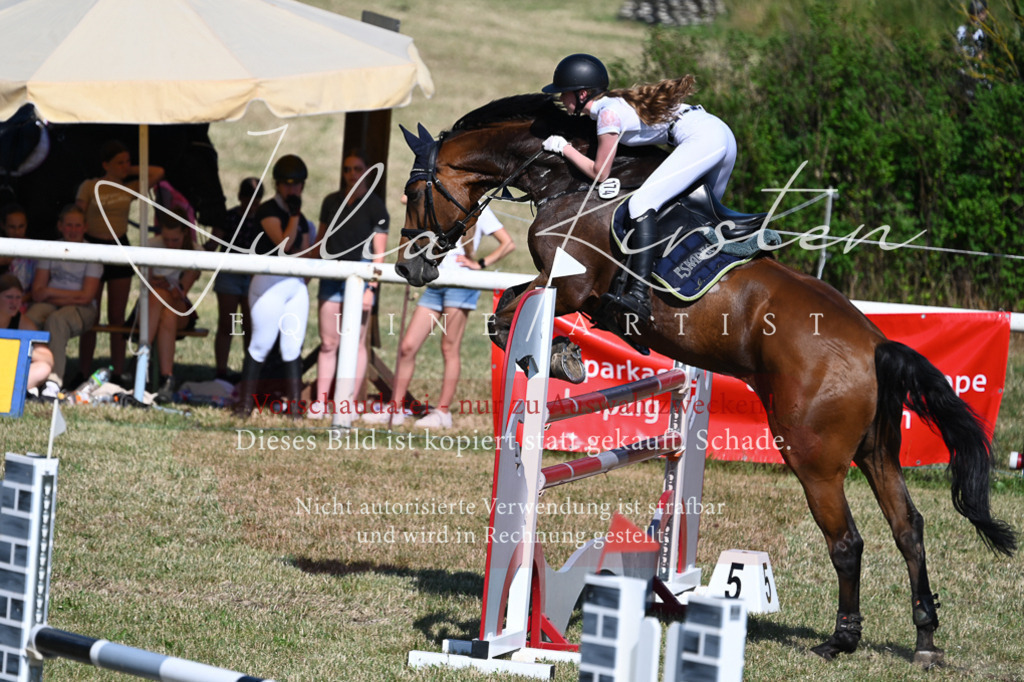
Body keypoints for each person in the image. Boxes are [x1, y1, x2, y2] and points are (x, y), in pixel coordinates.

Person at [540, 53, 737, 322]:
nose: (562, 100)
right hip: (719, 133)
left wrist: (564, 148)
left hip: (703, 138)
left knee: (641, 204)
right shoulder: (614, 104)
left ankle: (639, 296)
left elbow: (600, 172)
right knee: (696, 215)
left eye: (565, 94)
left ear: (582, 93)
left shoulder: (607, 114)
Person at [363, 206, 514, 429]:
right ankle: (395, 409)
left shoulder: (480, 209)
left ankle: (443, 413)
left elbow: (508, 243)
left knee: (448, 347)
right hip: (434, 282)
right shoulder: (440, 200)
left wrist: (479, 264)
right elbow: (408, 197)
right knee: (407, 346)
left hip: (461, 284)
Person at [307, 150, 389, 421]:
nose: (351, 174)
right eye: (347, 169)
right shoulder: (331, 201)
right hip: (331, 277)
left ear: (366, 172)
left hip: (362, 279)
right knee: (329, 342)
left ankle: (349, 403)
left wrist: (371, 289)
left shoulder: (376, 206)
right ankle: (320, 402)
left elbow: (380, 255)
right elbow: (319, 242)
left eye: (357, 169)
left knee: (356, 343)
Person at [75, 139, 165, 384]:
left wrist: (127, 169)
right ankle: (83, 370)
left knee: (117, 315)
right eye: (119, 162)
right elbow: (78, 212)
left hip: (119, 248)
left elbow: (158, 173)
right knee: (90, 314)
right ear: (105, 164)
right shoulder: (90, 186)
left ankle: (117, 371)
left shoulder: (129, 187)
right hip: (92, 248)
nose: (125, 166)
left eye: (128, 161)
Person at [234, 154, 314, 419]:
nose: (292, 189)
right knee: (261, 344)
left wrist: (296, 217)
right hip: (268, 282)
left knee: (293, 346)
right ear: (278, 185)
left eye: (297, 184)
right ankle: (245, 404)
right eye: (287, 184)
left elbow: (303, 252)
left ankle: (294, 408)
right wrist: (293, 216)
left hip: (294, 285)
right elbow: (285, 245)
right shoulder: (268, 210)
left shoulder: (301, 217)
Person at [25, 205, 102, 398]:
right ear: (60, 226)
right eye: (69, 225)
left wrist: (51, 292)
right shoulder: (50, 249)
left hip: (82, 309)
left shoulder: (94, 252)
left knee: (57, 320)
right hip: (56, 304)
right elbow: (37, 293)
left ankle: (53, 382)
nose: (73, 230)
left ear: (85, 227)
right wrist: (66, 295)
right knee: (29, 318)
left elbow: (86, 296)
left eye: (77, 225)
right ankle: (27, 376)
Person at [208, 177, 264, 382]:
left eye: (257, 197)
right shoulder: (229, 217)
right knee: (227, 324)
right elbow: (214, 242)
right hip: (230, 275)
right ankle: (221, 371)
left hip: (253, 276)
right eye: (249, 197)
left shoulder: (264, 219)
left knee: (250, 327)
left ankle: (248, 372)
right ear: (240, 197)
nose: (252, 202)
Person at [143, 211, 200, 403]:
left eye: (175, 240)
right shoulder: (150, 245)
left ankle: (142, 355)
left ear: (185, 233)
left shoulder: (196, 252)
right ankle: (167, 378)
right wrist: (166, 286)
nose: (170, 244)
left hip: (178, 307)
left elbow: (181, 292)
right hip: (156, 307)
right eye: (166, 239)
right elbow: (146, 283)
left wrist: (164, 285)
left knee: (163, 297)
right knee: (165, 308)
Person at [0, 273, 54, 397]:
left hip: (8, 372)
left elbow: (48, 359)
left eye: (18, 297)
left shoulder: (23, 322)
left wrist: (24, 349)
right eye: (9, 297)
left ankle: (10, 389)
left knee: (43, 368)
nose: (14, 302)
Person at [0, 204, 35, 307]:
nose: (17, 232)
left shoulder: (35, 249)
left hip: (24, 303)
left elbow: (37, 288)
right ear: (3, 225)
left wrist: (17, 302)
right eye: (12, 227)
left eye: (21, 226)